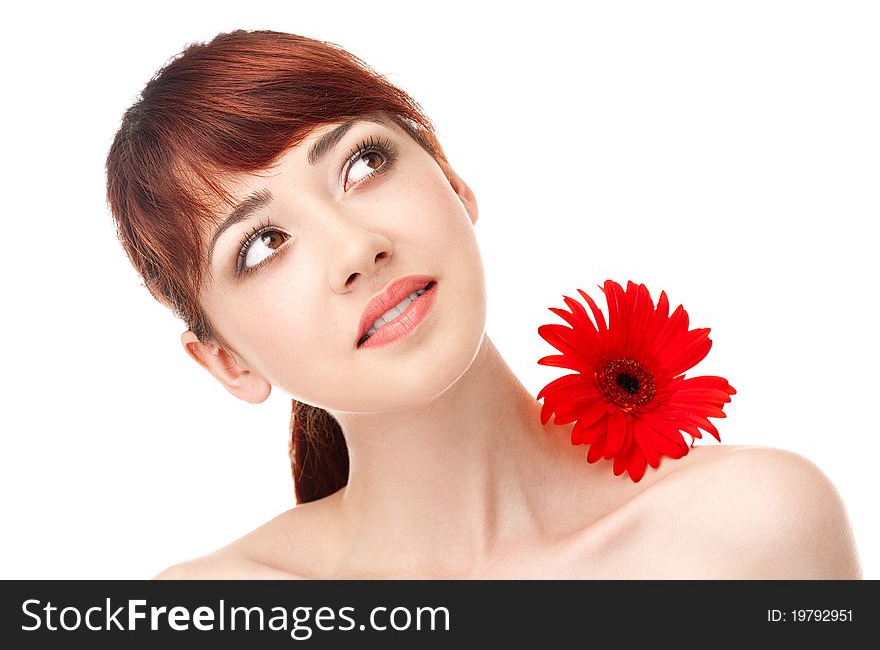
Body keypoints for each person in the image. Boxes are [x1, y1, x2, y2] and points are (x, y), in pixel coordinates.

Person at [105, 29, 862, 579]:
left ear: (452, 178)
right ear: (226, 362)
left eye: (363, 162)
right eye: (262, 243)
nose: (355, 247)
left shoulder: (752, 526)